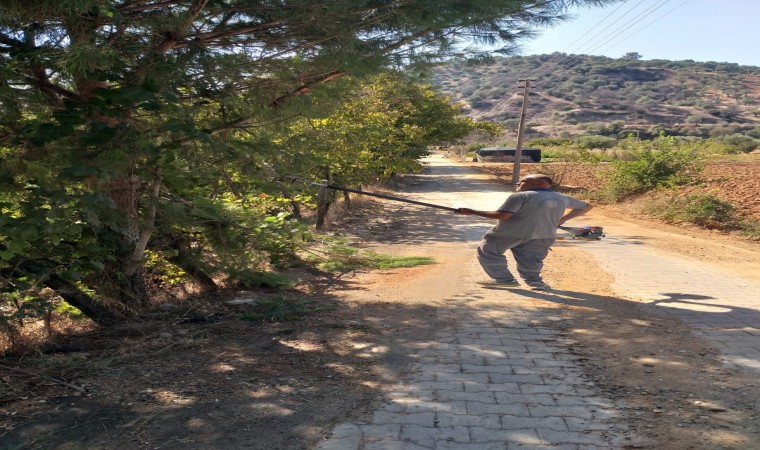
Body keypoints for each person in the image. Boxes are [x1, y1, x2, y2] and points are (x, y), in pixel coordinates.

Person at [454, 174, 592, 290]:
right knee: (531, 259)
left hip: (509, 233)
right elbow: (587, 206)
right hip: (544, 235)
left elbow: (502, 215)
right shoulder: (562, 197)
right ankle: (535, 283)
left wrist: (473, 212)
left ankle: (504, 280)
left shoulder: (521, 196)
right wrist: (562, 220)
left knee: (488, 251)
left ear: (540, 183)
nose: (518, 182)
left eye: (524, 180)